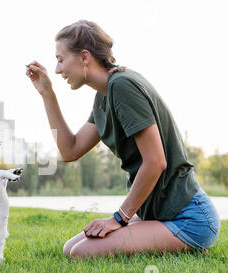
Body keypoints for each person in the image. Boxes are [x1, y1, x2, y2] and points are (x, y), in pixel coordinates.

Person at [26, 20, 220, 259]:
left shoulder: (123, 86)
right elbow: (70, 150)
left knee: (82, 252)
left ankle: (189, 242)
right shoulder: (104, 95)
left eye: (60, 59)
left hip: (188, 217)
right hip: (158, 213)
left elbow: (156, 161)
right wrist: (47, 94)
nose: (57, 70)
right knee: (70, 249)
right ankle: (174, 242)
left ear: (84, 56)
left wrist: (119, 218)